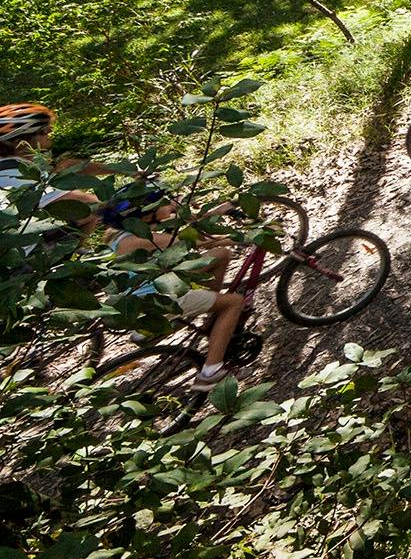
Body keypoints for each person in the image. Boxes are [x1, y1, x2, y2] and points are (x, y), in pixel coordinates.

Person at [1, 103, 244, 384]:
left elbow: (69, 167)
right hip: (25, 263)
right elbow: (90, 206)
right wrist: (133, 203)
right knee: (85, 220)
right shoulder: (15, 177)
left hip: (29, 250)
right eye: (44, 133)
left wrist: (129, 172)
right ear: (22, 141)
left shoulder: (19, 164)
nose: (49, 138)